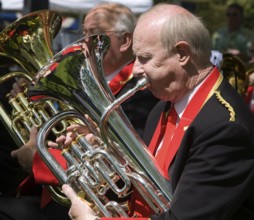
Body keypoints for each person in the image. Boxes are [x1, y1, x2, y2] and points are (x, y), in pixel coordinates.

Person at [60, 3, 254, 220]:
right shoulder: (163, 105)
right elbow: (148, 190)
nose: (135, 70)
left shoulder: (225, 128)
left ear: (182, 53)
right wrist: (110, 159)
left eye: (144, 58)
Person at [0, 3, 158, 220]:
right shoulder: (85, 81)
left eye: (94, 33)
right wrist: (35, 101)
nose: (84, 41)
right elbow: (64, 136)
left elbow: (120, 167)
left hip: (100, 204)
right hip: (57, 193)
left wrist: (39, 160)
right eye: (82, 32)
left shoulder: (140, 93)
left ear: (125, 41)